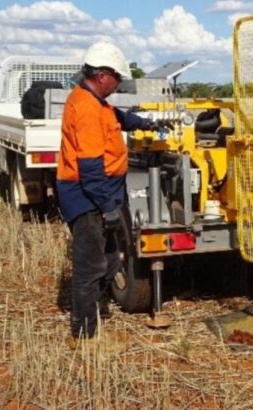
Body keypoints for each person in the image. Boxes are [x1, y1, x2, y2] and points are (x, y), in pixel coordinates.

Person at [57, 41, 155, 350]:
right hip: (88, 198)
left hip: (101, 196)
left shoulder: (96, 101)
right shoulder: (85, 107)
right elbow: (90, 168)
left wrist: (145, 122)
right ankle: (85, 336)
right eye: (117, 78)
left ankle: (96, 320)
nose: (118, 84)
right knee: (90, 267)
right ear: (102, 75)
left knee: (109, 260)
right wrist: (107, 207)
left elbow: (117, 119)